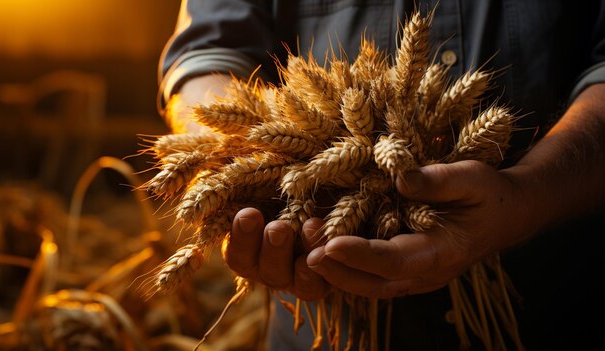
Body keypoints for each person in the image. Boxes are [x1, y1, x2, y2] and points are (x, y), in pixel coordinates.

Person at [158, 1, 605, 349]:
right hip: (322, 330)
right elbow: (207, 55)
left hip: (561, 309)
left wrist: (527, 195)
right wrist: (242, 164)